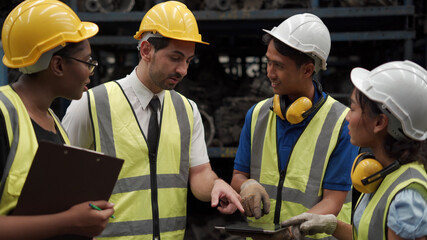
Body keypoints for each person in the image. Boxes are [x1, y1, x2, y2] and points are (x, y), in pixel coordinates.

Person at [62, 1, 244, 239]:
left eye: (188, 60)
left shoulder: (187, 110)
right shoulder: (91, 105)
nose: (183, 70)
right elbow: (62, 182)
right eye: (175, 58)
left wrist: (216, 184)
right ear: (146, 50)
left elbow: (200, 173)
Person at [230, 13, 359, 239]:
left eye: (278, 65)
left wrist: (292, 230)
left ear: (308, 70)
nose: (269, 72)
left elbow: (334, 199)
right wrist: (246, 184)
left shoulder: (341, 123)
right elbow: (238, 176)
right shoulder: (258, 114)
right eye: (268, 62)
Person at [0, 0, 115, 239]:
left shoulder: (54, 122)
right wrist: (68, 222)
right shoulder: (3, 116)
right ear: (58, 65)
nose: (91, 71)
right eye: (88, 62)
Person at [281, 60, 427, 240]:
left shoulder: (407, 198)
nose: (348, 117)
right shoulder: (384, 174)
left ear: (379, 122)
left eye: (353, 108)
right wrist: (333, 226)